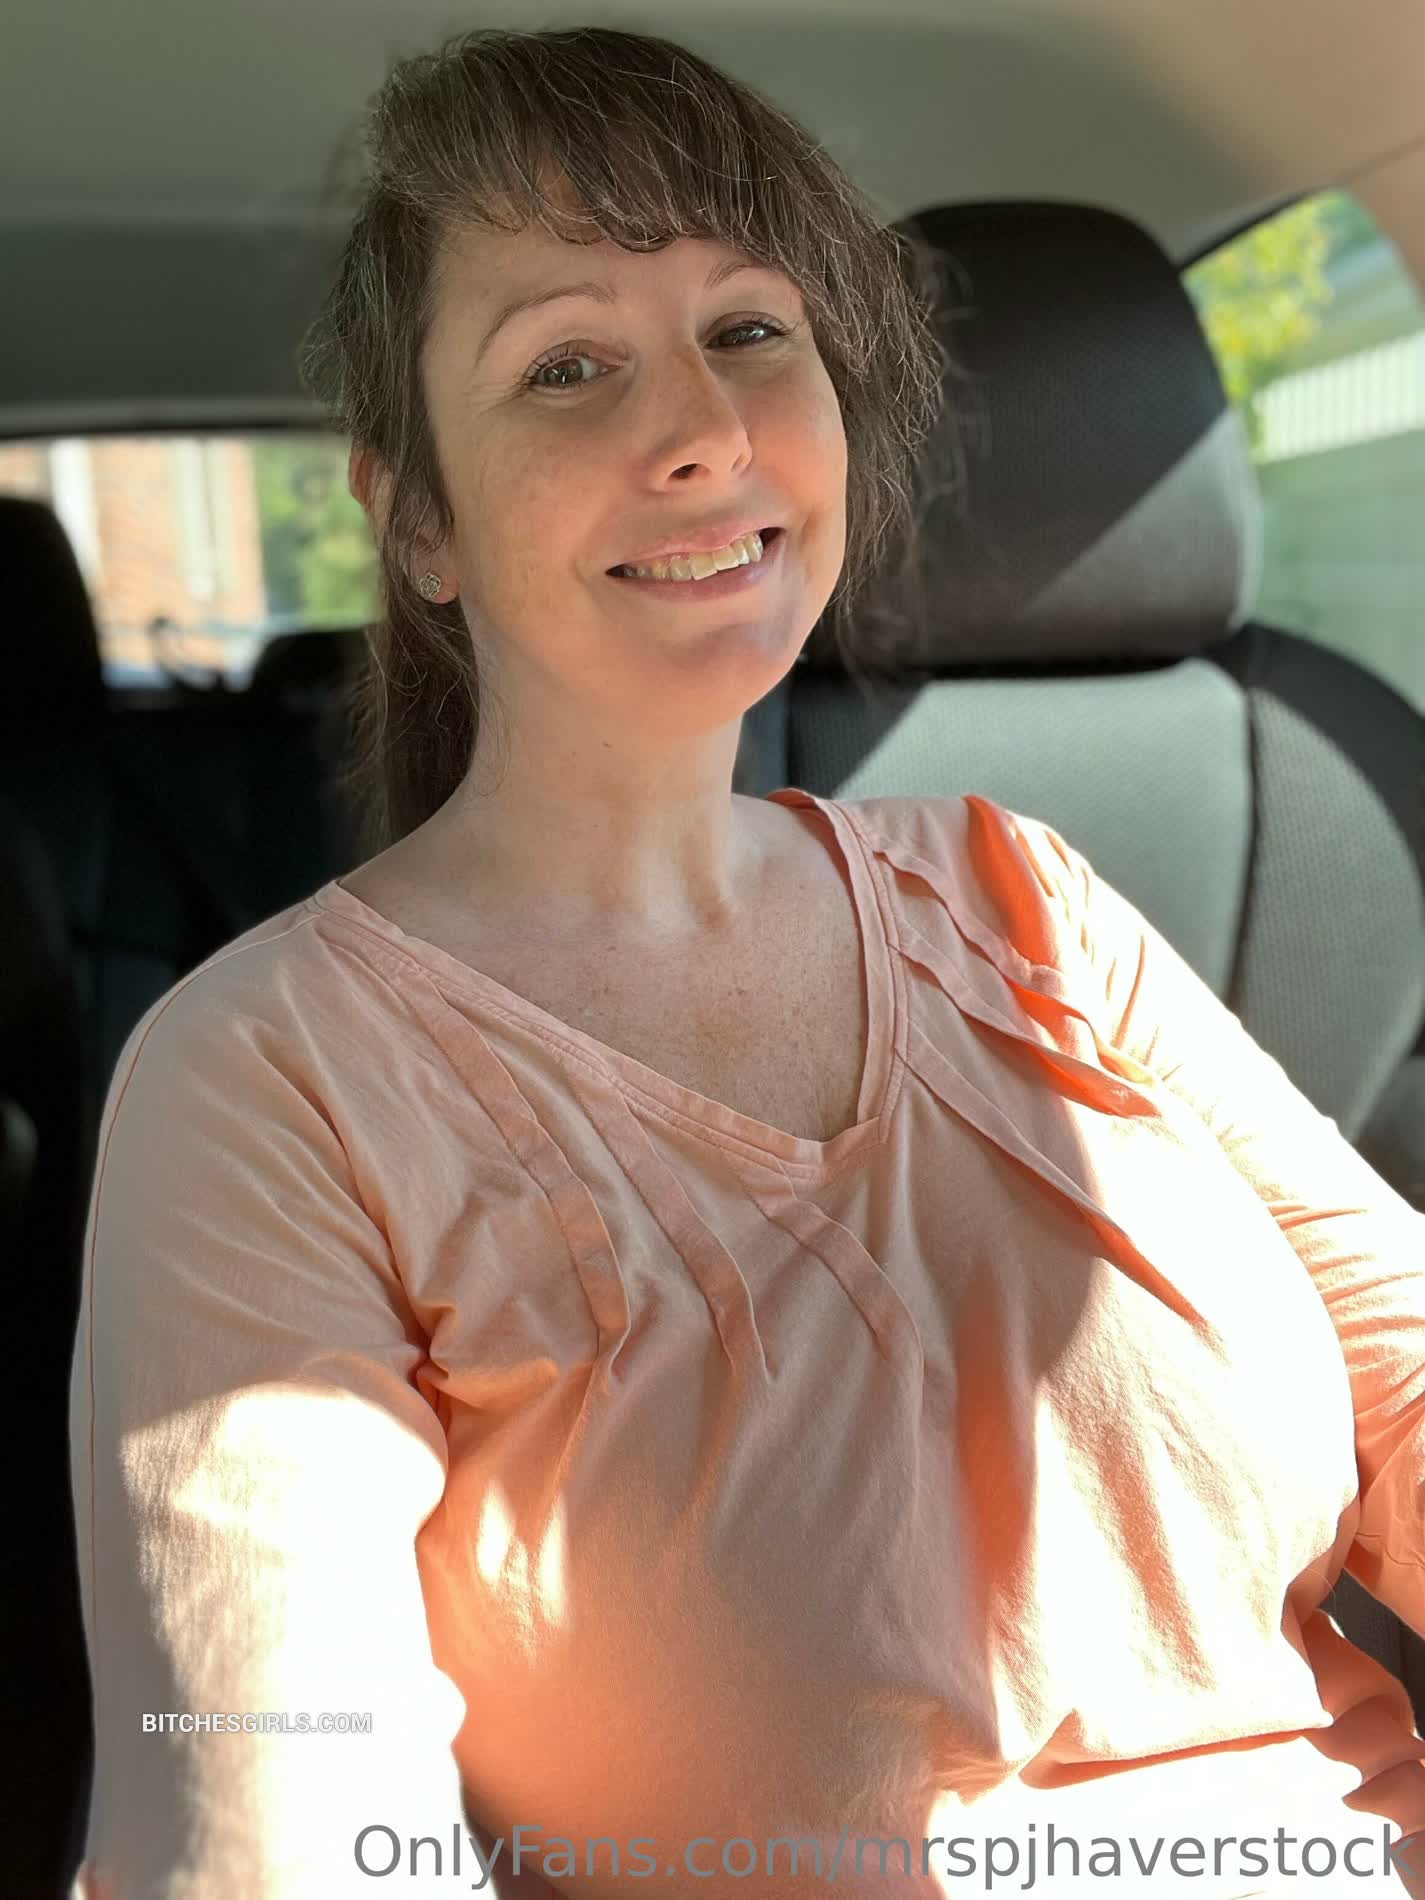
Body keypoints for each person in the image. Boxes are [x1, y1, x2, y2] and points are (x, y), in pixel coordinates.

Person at [68, 23, 1425, 1900]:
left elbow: (1403, 1368)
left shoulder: (1022, 894)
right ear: (421, 521)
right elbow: (274, 1820)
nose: (704, 426)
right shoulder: (263, 1076)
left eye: (749, 328)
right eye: (565, 365)